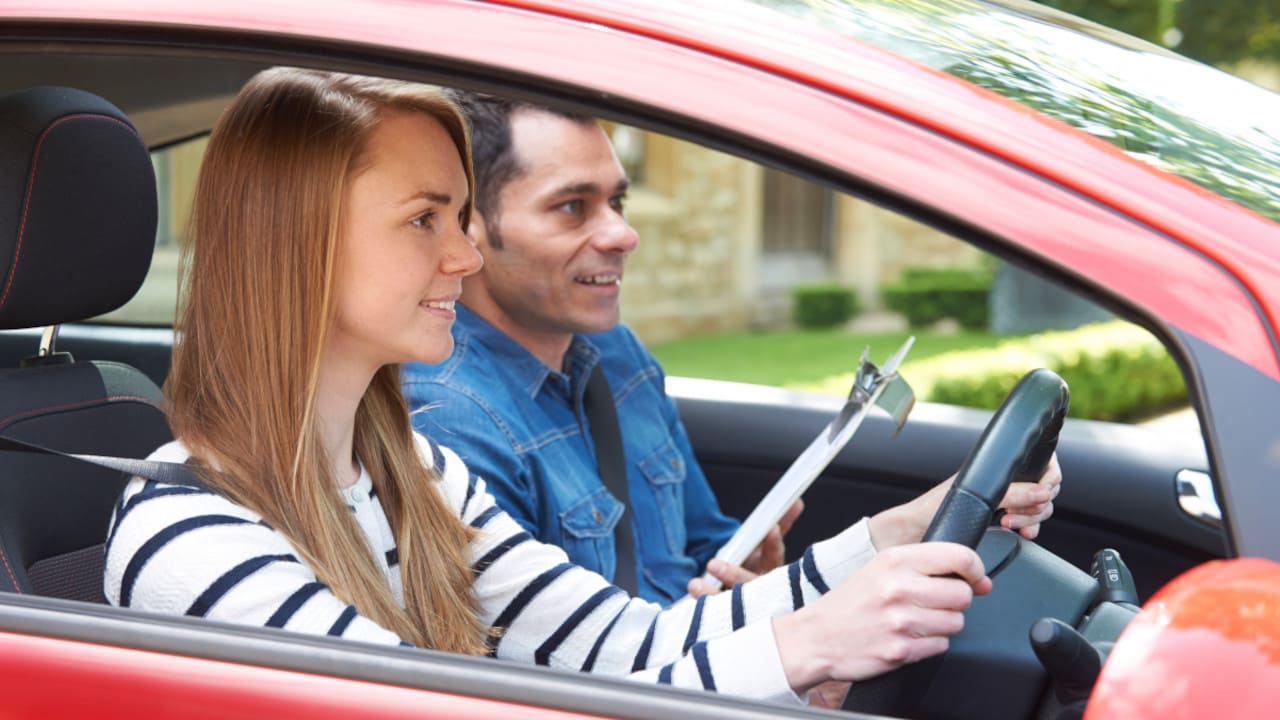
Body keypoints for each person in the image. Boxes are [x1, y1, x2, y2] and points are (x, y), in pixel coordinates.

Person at [104, 68, 1060, 705]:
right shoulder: (192, 536)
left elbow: (628, 650)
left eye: (465, 216)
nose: (468, 252)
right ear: (297, 246)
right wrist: (803, 648)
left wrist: (887, 541)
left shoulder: (414, 477)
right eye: (425, 220)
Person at [399, 92, 1049, 604]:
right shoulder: (450, 417)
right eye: (573, 207)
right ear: (470, 231)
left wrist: (751, 580)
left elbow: (704, 544)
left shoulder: (617, 356)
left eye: (618, 200)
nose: (623, 234)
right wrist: (889, 538)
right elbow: (561, 667)